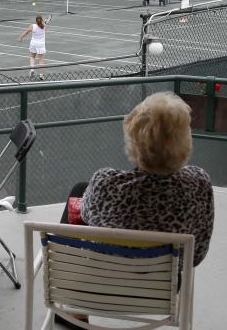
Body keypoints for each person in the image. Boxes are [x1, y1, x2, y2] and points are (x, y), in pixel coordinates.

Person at [60, 92, 214, 268]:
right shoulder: (199, 184)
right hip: (160, 289)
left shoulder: (105, 184)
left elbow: (85, 214)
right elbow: (197, 255)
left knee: (80, 189)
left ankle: (65, 265)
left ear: (134, 143)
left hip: (102, 280)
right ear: (185, 141)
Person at [18, 14, 47, 80]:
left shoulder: (32, 26)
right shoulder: (45, 26)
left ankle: (32, 70)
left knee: (32, 57)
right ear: (41, 20)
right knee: (41, 60)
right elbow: (43, 28)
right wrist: (44, 23)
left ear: (36, 21)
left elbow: (26, 32)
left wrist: (20, 37)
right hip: (41, 45)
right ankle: (41, 75)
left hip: (33, 44)